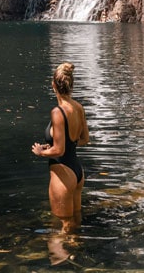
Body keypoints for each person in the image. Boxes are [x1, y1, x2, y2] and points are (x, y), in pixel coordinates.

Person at [32, 61, 90, 230]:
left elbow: (59, 150)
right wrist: (53, 144)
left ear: (53, 85)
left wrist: (40, 152)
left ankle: (64, 256)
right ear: (71, 85)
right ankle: (77, 254)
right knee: (75, 223)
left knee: (61, 228)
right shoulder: (78, 107)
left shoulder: (58, 112)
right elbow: (84, 139)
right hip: (77, 172)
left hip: (62, 174)